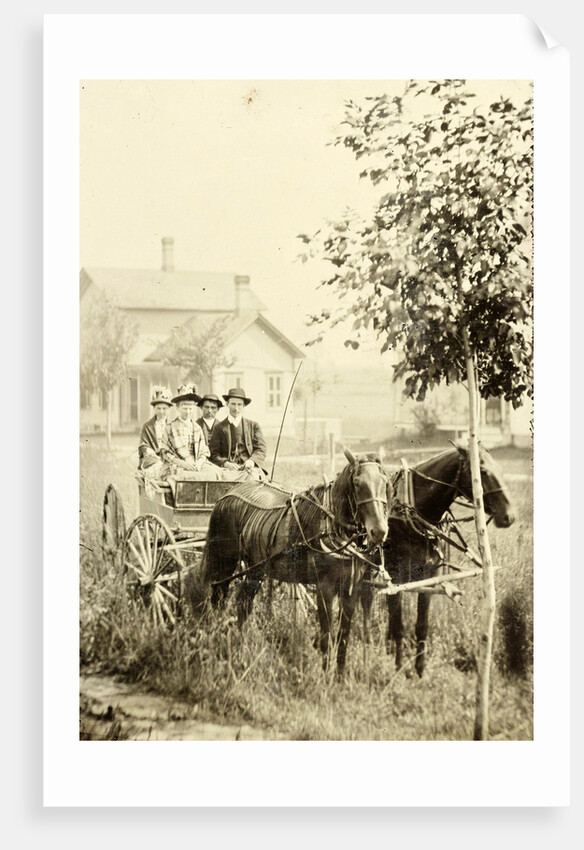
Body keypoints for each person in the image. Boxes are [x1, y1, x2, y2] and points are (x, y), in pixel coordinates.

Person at [162, 384, 221, 480]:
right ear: (177, 408)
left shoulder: (197, 428)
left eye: (190, 409)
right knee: (183, 476)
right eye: (185, 408)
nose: (188, 412)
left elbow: (203, 451)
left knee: (215, 473)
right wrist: (183, 464)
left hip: (195, 464)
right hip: (177, 464)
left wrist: (199, 463)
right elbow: (165, 452)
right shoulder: (169, 428)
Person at [209, 387, 267, 481]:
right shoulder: (219, 427)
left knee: (253, 478)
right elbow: (213, 453)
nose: (236, 408)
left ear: (244, 405)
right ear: (227, 404)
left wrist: (251, 461)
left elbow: (261, 449)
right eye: (233, 404)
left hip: (248, 469)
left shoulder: (253, 426)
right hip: (226, 470)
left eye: (239, 404)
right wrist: (225, 463)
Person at [138, 386, 173, 488]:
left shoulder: (173, 425)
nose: (161, 411)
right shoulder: (147, 426)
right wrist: (149, 451)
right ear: (154, 408)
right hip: (153, 459)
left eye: (164, 408)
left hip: (170, 459)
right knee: (157, 468)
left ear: (169, 409)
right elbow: (143, 445)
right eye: (158, 408)